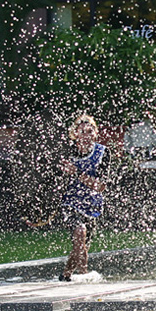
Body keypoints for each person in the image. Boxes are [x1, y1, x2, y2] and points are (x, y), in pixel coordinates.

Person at [58, 114, 110, 282]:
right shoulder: (67, 152)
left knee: (81, 246)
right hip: (70, 202)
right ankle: (84, 274)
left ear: (95, 133)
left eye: (90, 131)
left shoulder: (103, 153)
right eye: (83, 132)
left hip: (91, 203)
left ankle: (66, 275)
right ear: (75, 134)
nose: (86, 136)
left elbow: (100, 186)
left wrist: (78, 174)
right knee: (80, 232)